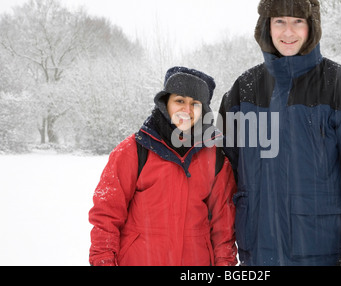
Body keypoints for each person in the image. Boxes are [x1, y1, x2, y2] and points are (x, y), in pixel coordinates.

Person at [219, 0, 341, 266]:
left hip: (322, 252)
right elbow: (222, 176)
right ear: (266, 26)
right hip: (257, 254)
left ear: (312, 27)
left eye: (298, 21)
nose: (288, 32)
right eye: (279, 21)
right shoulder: (244, 90)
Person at [89, 67, 237, 266]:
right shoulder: (133, 150)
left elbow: (224, 226)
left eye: (195, 104)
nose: (186, 110)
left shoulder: (215, 158)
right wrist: (103, 260)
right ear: (165, 102)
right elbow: (106, 214)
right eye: (179, 101)